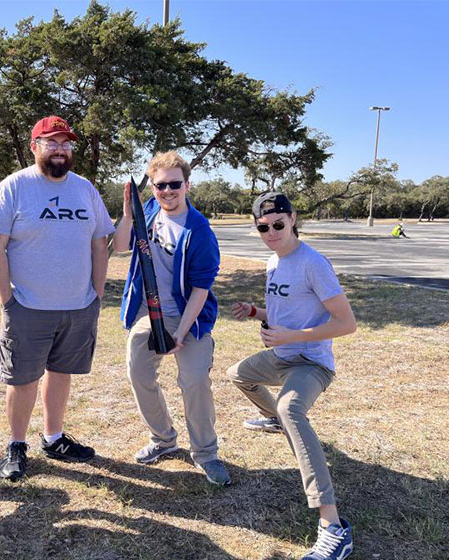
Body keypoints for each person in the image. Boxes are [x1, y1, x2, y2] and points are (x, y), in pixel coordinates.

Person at [0, 115, 114, 481]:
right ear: (34, 146)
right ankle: (16, 445)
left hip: (78, 306)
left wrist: (96, 293)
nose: (60, 149)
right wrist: (8, 299)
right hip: (27, 307)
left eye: (66, 143)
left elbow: (99, 242)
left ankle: (54, 437)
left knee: (61, 374)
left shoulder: (85, 188)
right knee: (22, 380)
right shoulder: (13, 187)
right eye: (51, 142)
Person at [227, 192, 356, 560]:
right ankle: (275, 420)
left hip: (312, 362)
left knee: (291, 409)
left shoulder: (313, 263)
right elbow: (286, 311)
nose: (271, 232)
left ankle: (333, 526)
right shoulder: (272, 262)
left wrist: (292, 337)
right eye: (263, 227)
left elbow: (347, 324)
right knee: (237, 374)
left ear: (293, 219)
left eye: (278, 224)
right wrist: (256, 312)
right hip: (282, 355)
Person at [112, 151, 231, 486]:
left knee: (193, 381)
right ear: (152, 188)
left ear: (187, 185)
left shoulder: (199, 231)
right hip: (149, 313)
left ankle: (206, 454)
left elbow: (200, 289)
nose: (167, 191)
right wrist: (127, 214)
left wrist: (181, 332)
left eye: (174, 184)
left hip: (189, 316)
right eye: (160, 185)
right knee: (138, 371)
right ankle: (163, 439)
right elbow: (120, 247)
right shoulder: (146, 212)